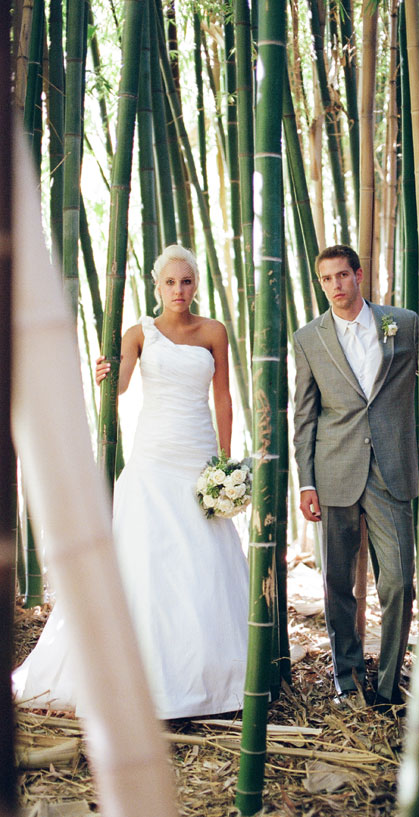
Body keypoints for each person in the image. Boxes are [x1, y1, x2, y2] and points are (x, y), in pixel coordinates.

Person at [13, 245, 249, 719]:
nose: (179, 290)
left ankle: (210, 677)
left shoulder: (214, 332)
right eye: (170, 282)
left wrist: (223, 463)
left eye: (186, 281)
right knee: (147, 558)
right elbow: (120, 384)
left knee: (204, 560)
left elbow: (223, 398)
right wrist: (105, 371)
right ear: (156, 286)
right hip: (153, 457)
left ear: (195, 284)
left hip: (197, 455)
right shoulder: (140, 332)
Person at [293, 244, 417, 712]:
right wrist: (306, 482)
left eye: (342, 276)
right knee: (338, 584)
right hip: (335, 472)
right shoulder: (309, 338)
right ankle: (347, 679)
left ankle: (387, 685)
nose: (335, 286)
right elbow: (305, 416)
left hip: (392, 470)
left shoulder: (402, 323)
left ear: (358, 275)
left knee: (400, 581)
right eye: (326, 279)